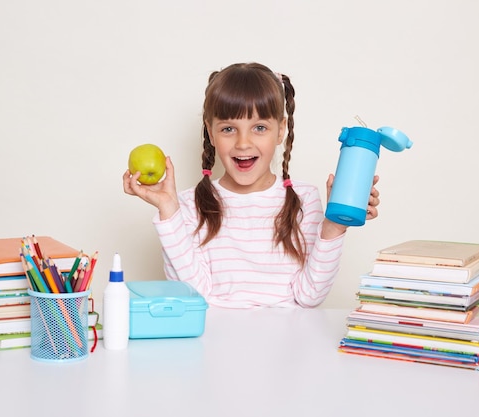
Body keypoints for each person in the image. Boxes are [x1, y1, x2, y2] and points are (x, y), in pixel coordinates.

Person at [123, 62, 380, 308]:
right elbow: (194, 296)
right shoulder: (188, 205)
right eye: (228, 129)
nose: (243, 143)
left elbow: (309, 296)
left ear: (281, 130)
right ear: (210, 133)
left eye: (259, 127)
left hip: (287, 343)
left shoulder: (304, 199)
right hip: (215, 344)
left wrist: (333, 227)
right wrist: (169, 211)